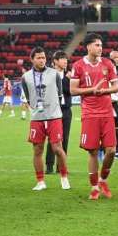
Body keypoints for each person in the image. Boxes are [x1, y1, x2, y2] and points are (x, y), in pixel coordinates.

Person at [70, 33, 118, 200]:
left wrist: (103, 91)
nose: (100, 48)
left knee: (111, 150)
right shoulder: (78, 66)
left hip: (106, 112)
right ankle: (94, 187)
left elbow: (116, 86)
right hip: (89, 113)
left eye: (101, 45)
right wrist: (92, 90)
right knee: (92, 152)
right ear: (88, 47)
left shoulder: (108, 64)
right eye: (97, 45)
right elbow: (73, 90)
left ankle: (103, 179)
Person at [21, 47, 70, 191]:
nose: (42, 60)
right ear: (32, 59)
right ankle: (40, 181)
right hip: (37, 118)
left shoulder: (54, 74)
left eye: (43, 58)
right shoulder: (26, 77)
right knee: (37, 150)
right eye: (39, 58)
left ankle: (64, 177)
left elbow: (60, 94)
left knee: (57, 149)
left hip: (54, 116)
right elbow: (29, 97)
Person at [46, 50, 72, 174]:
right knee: (52, 139)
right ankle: (49, 166)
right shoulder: (48, 74)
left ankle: (61, 167)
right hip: (52, 110)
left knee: (65, 139)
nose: (65, 61)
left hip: (66, 110)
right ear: (55, 61)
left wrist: (67, 80)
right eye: (62, 59)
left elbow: (69, 91)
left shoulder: (70, 75)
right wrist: (65, 80)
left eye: (66, 59)